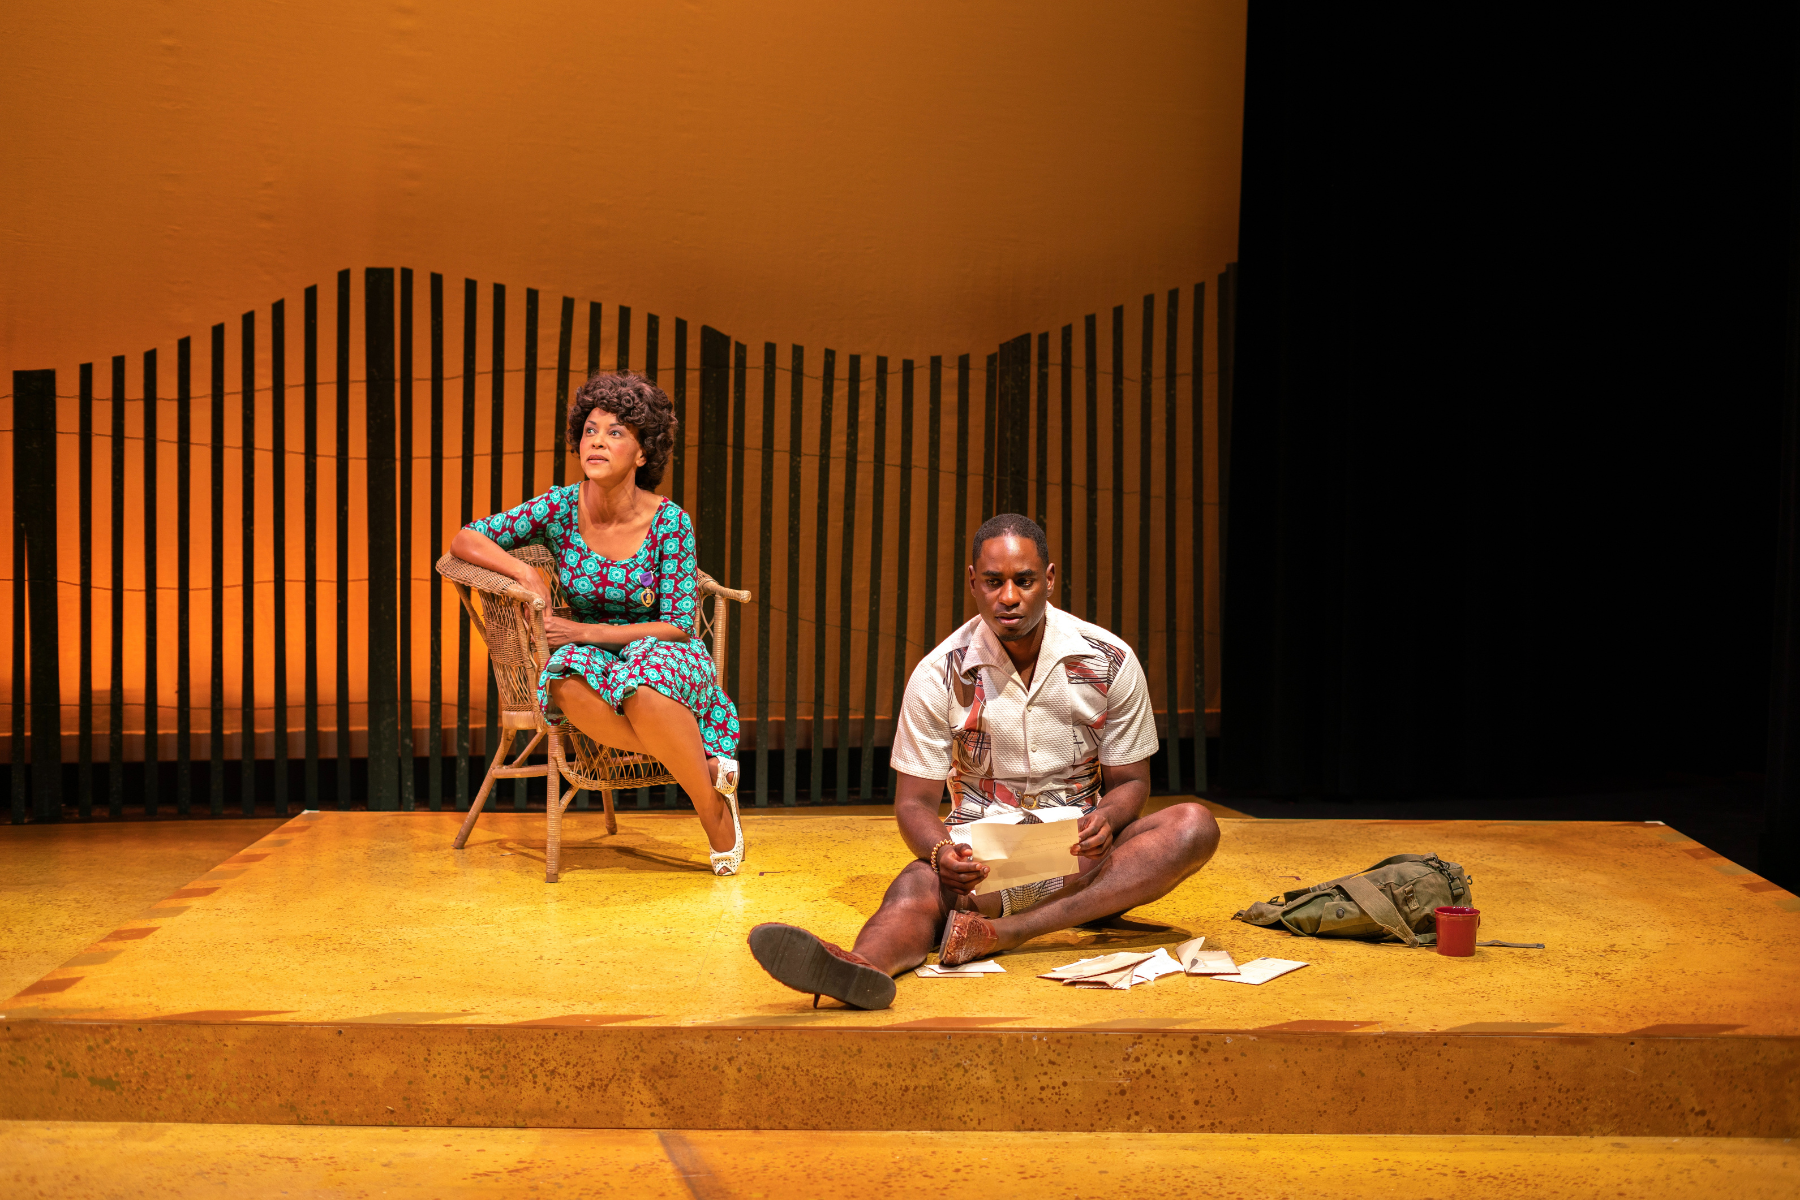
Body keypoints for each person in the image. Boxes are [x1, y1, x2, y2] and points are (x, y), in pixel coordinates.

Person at [746, 513, 1220, 1008]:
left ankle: (1008, 932)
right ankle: (857, 970)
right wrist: (940, 855)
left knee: (1193, 825)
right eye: (994, 582)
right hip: (986, 864)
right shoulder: (938, 674)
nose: (1009, 597)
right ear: (973, 582)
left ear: (1050, 579)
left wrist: (1107, 817)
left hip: (1084, 856)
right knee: (915, 885)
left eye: (1025, 581)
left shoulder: (1109, 660)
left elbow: (1132, 782)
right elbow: (914, 803)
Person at [448, 372, 746, 875]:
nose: (598, 441)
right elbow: (466, 538)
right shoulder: (560, 508)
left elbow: (677, 626)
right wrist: (526, 573)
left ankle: (711, 813)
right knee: (561, 681)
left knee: (644, 684)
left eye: (615, 432)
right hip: (591, 657)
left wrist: (588, 632)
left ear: (643, 453)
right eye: (590, 430)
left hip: (660, 650)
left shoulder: (670, 521)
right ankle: (706, 770)